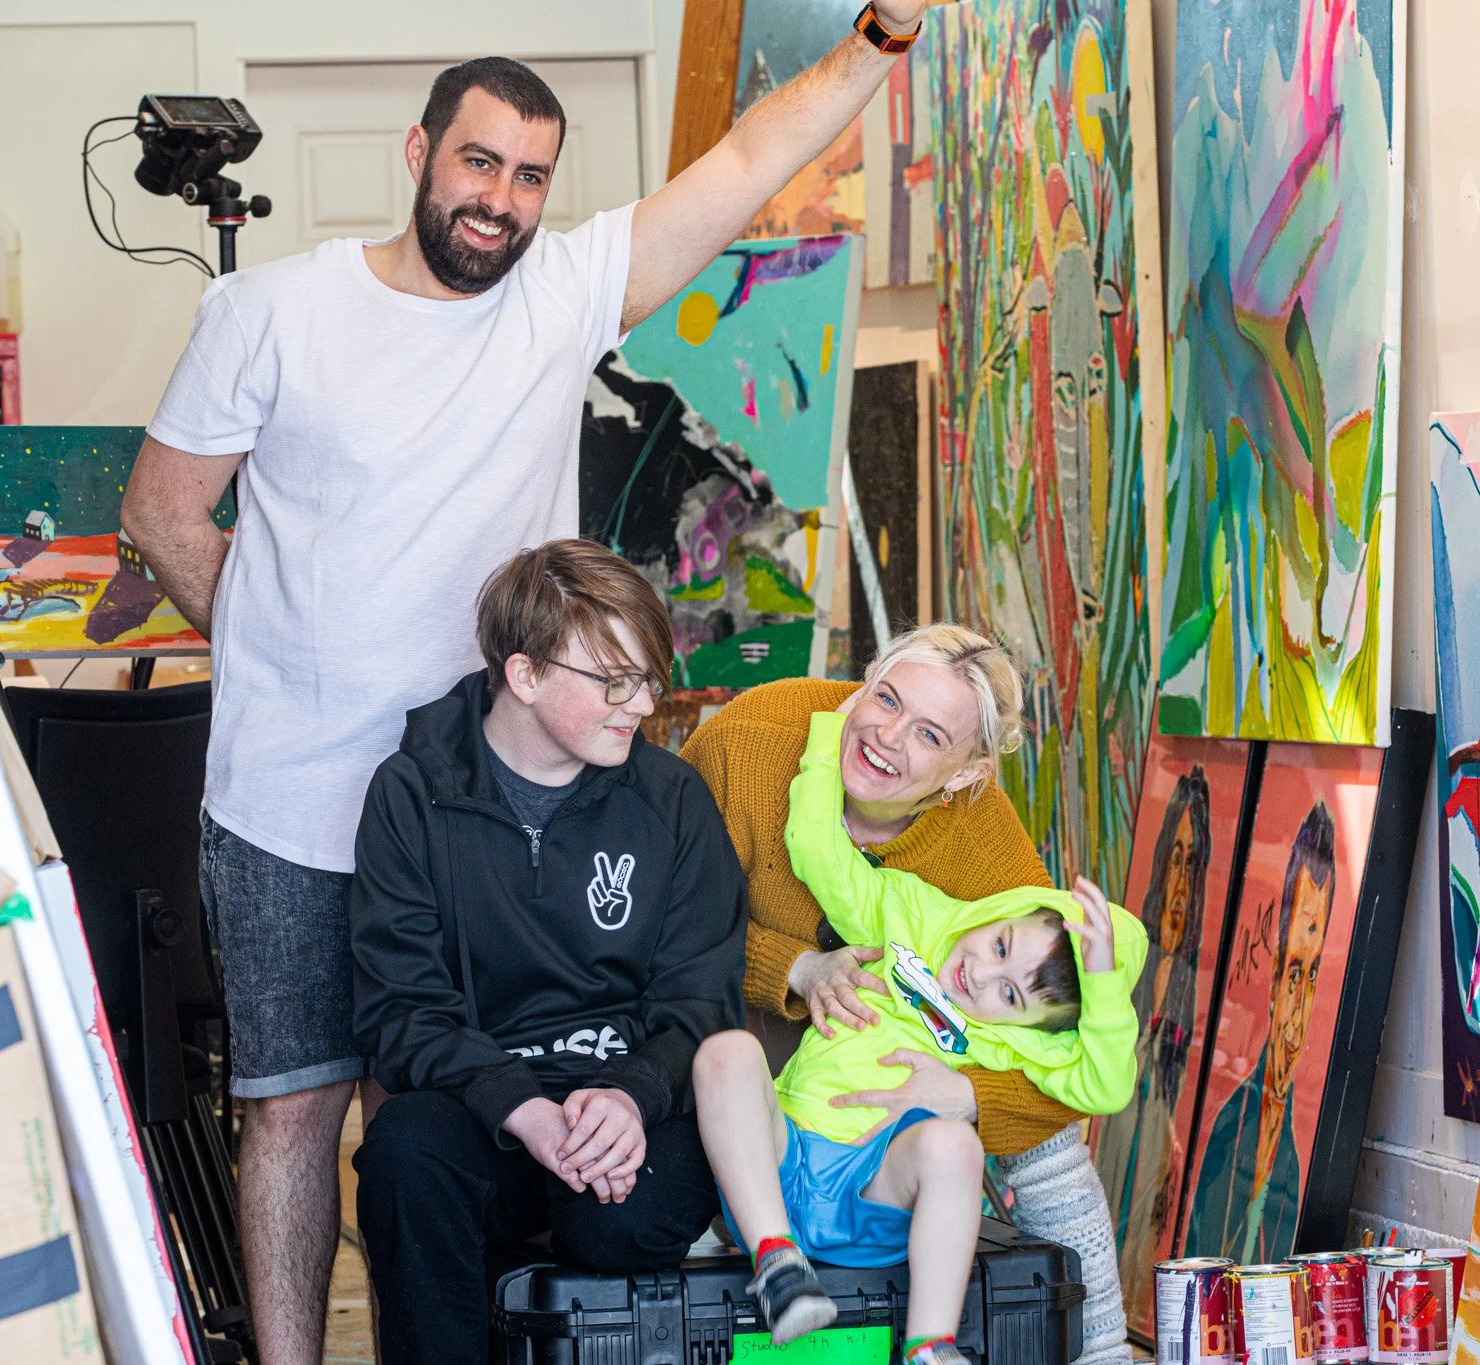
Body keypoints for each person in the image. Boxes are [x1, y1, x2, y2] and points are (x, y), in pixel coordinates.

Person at [121, 9, 932, 1356]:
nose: (499, 200)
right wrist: (280, 647)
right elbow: (163, 514)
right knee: (292, 1108)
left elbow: (742, 162)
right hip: (290, 800)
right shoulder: (268, 310)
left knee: (427, 1120)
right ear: (420, 152)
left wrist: (882, 36)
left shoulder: (564, 290)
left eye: (528, 176)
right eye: (478, 164)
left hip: (483, 810)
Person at [680, 624, 1135, 1360]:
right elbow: (661, 933)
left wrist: (968, 1093)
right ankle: (750, 1254)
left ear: (965, 774)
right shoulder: (752, 741)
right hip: (735, 1012)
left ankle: (1099, 1347)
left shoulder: (983, 854)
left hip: (889, 1097)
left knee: (1042, 1136)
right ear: (865, 677)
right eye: (885, 698)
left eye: (928, 734)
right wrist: (791, 968)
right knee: (716, 1058)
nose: (887, 737)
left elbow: (1064, 1038)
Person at [348, 540, 746, 1363]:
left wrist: (632, 1095)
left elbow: (702, 999)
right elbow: (400, 1007)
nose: (639, 704)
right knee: (402, 1155)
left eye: (648, 679)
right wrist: (520, 1107)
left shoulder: (672, 802)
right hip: (487, 1105)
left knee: (621, 1218)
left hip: (632, 1106)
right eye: (613, 680)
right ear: (524, 676)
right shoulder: (411, 792)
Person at [1183, 802, 1338, 1265]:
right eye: (1293, 974)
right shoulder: (1232, 1129)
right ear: (1271, 986)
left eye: (1311, 977)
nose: (1296, 1017)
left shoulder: (1296, 1155)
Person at [1098, 765, 1211, 1318]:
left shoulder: (1195, 992)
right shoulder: (1127, 973)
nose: (1181, 883)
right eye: (1175, 858)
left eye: (1195, 864)